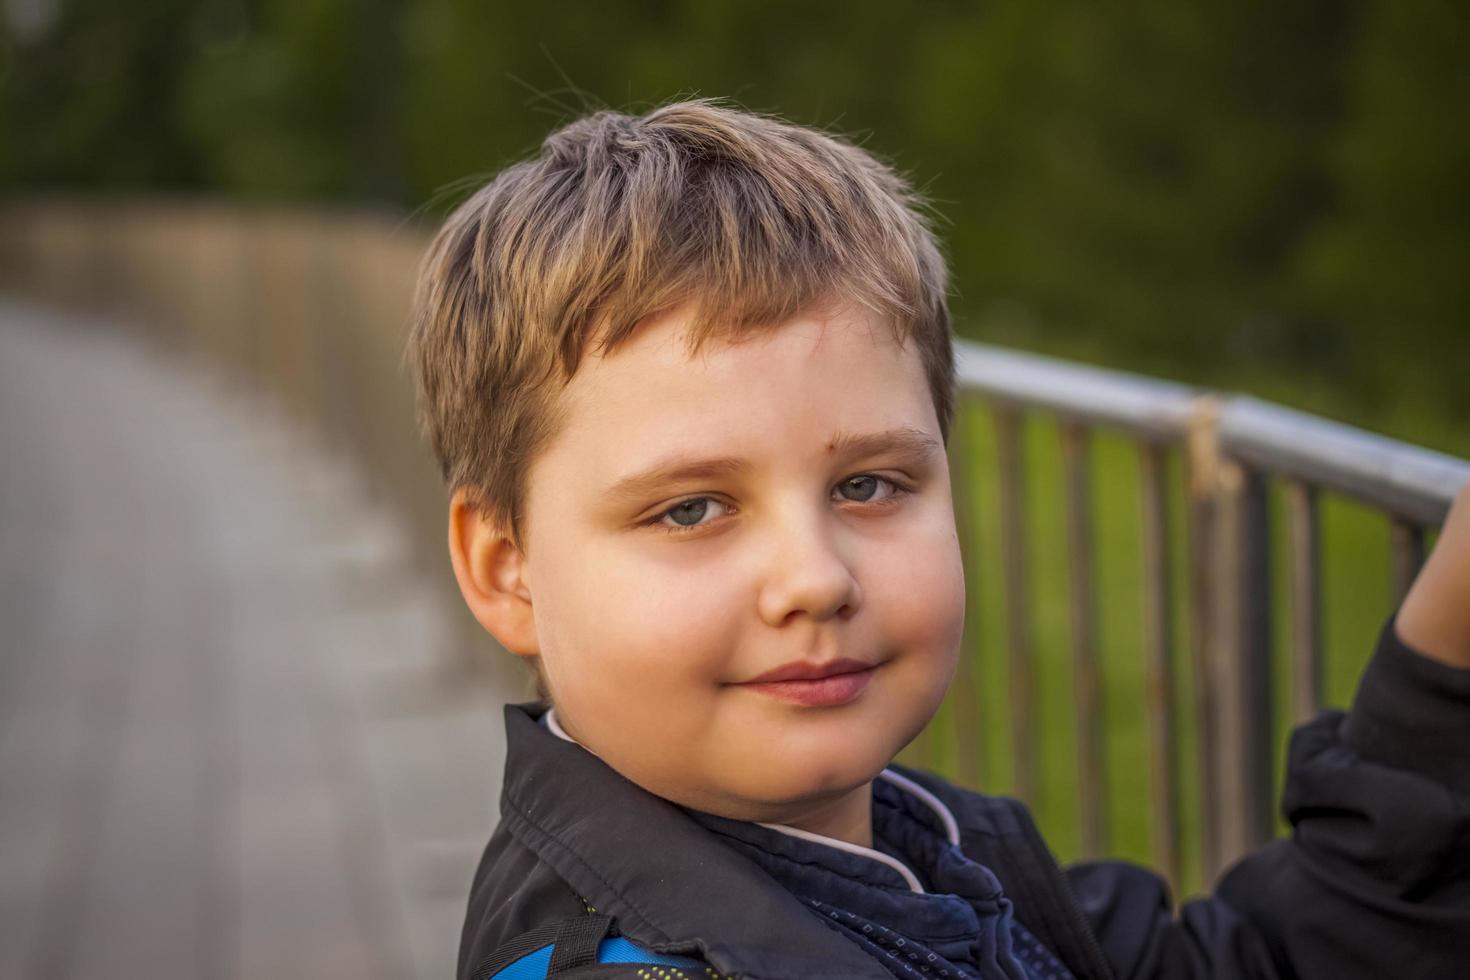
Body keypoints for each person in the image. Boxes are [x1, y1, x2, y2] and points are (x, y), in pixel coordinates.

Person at [405, 99, 1470, 979]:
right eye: (692, 508)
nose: (816, 579)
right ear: (507, 568)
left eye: (869, 483)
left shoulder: (911, 849)